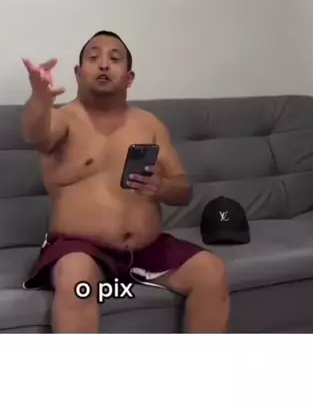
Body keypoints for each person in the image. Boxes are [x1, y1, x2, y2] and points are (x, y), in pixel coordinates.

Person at [21, 30, 229, 333]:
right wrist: (40, 99)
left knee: (211, 271)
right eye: (93, 58)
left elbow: (183, 189)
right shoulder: (64, 119)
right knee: (76, 277)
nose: (104, 64)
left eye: (114, 58)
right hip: (81, 250)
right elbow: (35, 135)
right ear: (78, 73)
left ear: (129, 78)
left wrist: (162, 187)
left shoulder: (149, 124)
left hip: (147, 249)